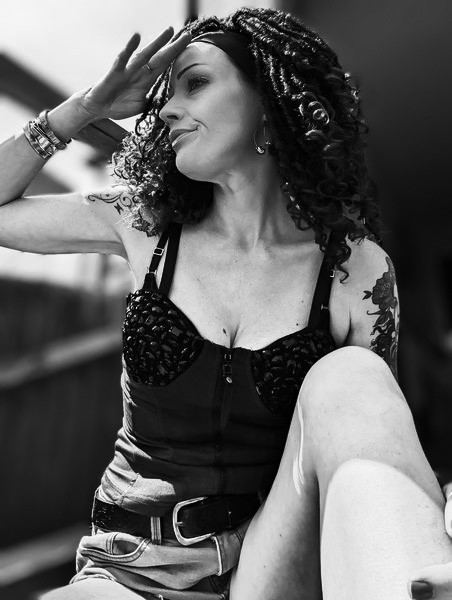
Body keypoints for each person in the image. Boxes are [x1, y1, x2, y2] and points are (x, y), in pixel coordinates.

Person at [1, 6, 451, 600]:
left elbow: (368, 441)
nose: (166, 109)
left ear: (269, 102)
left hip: (271, 565)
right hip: (130, 568)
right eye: (167, 93)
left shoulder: (355, 270)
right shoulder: (144, 224)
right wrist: (82, 110)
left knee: (353, 376)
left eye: (195, 83)